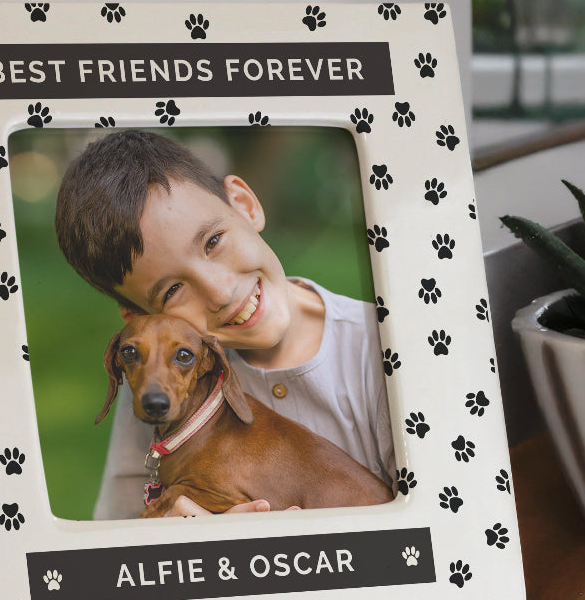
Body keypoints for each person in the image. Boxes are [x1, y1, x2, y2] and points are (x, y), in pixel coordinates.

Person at [54, 129, 395, 519]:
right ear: (143, 321)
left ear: (245, 204)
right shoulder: (159, 388)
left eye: (213, 241)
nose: (220, 291)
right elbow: (121, 552)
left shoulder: (387, 349)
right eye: (172, 291)